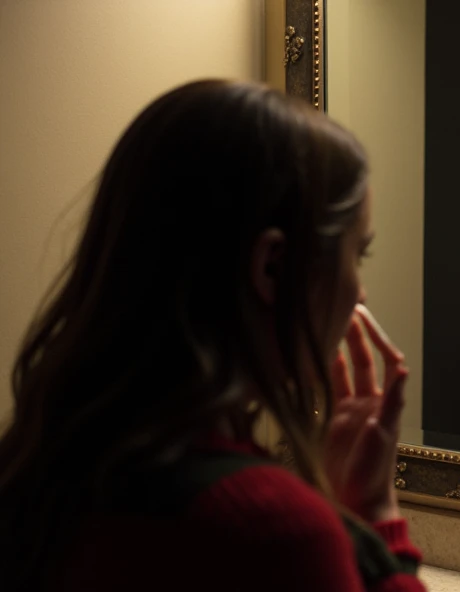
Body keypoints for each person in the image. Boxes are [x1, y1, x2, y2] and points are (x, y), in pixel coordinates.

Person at [0, 80, 426, 591]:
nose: (360, 295)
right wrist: (375, 511)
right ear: (274, 267)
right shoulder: (268, 530)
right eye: (359, 254)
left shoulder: (40, 464)